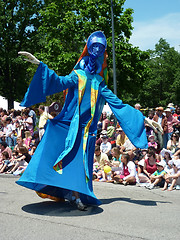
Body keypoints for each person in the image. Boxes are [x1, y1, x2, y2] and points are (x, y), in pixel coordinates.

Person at [17, 31, 147, 210]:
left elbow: (117, 103)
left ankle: (75, 194)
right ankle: (72, 195)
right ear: (88, 48)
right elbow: (59, 82)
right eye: (94, 46)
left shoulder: (99, 82)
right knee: (66, 160)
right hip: (70, 126)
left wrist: (142, 117)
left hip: (88, 132)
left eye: (101, 47)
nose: (97, 50)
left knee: (80, 164)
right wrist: (40, 65)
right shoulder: (78, 74)